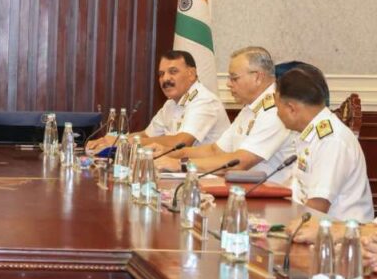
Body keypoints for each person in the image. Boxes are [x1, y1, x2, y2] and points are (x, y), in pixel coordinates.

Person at [155, 46, 296, 184]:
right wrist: (167, 153)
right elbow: (215, 150)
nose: (228, 84)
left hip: (271, 195)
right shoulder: (251, 107)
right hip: (246, 189)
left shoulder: (275, 110)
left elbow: (240, 162)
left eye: (234, 78)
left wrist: (179, 164)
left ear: (258, 77)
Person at [274, 64, 373, 221]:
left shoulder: (331, 140)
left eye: (277, 107)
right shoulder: (311, 132)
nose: (277, 113)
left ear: (292, 109)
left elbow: (317, 207)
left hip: (340, 232)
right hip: (315, 225)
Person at [86, 50, 228, 153]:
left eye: (173, 72)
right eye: (161, 74)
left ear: (191, 74)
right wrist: (112, 140)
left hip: (208, 175)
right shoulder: (171, 104)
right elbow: (147, 135)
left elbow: (182, 141)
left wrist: (125, 142)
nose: (165, 79)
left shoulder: (204, 101)